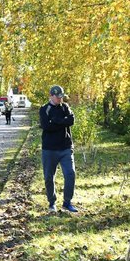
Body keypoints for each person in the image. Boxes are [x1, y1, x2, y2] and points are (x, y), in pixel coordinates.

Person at [39, 85, 77, 213]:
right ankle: (52, 203)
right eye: (58, 97)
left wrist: (55, 121)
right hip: (49, 149)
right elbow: (46, 126)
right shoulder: (45, 109)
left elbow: (71, 120)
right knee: (49, 177)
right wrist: (62, 122)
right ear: (51, 96)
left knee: (70, 174)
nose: (60, 99)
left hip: (66, 147)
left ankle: (67, 202)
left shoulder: (65, 107)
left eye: (61, 96)